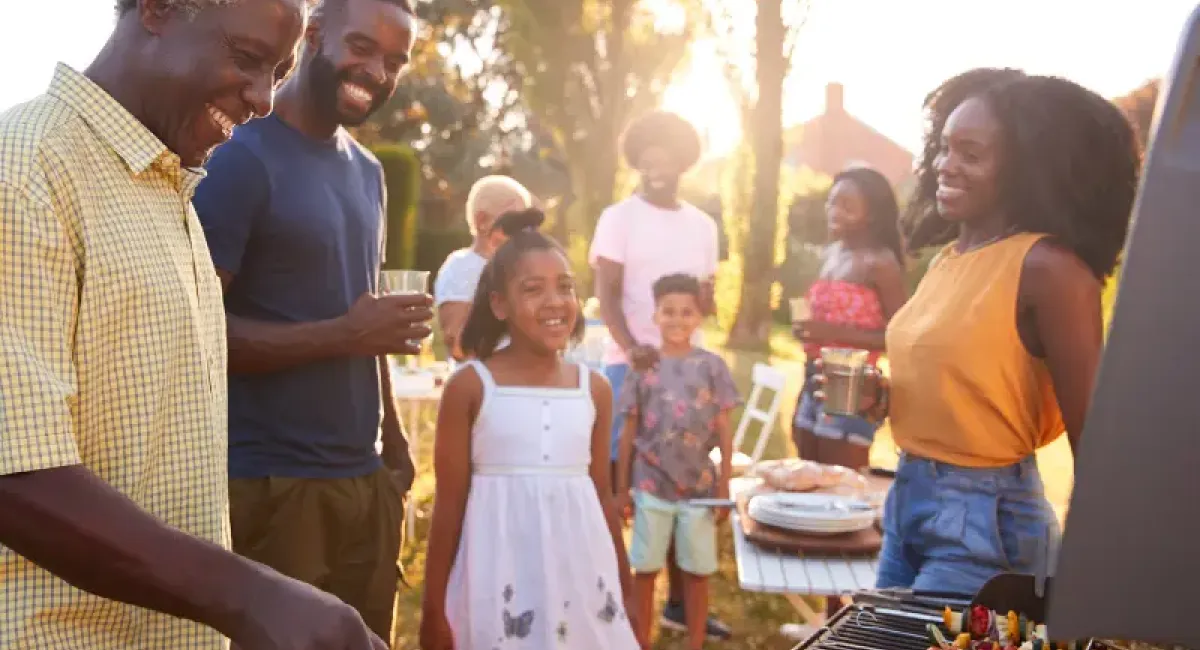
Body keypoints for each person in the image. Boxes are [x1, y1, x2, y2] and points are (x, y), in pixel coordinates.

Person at [0, 1, 394, 649]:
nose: (264, 99)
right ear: (157, 9)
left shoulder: (171, 186)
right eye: (247, 59)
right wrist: (253, 595)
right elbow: (17, 478)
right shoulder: (24, 172)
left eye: (277, 70)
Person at [827, 68, 1140, 595]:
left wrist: (1101, 575)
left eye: (971, 154)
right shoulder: (950, 260)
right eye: (946, 149)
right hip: (908, 502)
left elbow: (1095, 437)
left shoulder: (1049, 269)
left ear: (1025, 170)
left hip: (987, 526)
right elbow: (970, 383)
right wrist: (888, 398)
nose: (946, 166)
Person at [190, 0, 426, 642]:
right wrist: (346, 334)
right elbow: (196, 336)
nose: (378, 71)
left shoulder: (371, 173)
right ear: (314, 36)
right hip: (272, 485)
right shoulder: (238, 156)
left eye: (396, 61)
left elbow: (366, 323)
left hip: (365, 485)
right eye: (363, 47)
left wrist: (395, 462)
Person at [421, 209, 643, 650]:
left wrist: (627, 588)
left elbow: (601, 494)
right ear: (499, 304)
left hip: (580, 580)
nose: (555, 302)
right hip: (496, 579)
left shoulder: (593, 389)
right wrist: (432, 611)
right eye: (533, 290)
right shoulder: (470, 387)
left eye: (565, 287)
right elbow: (448, 506)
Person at [589, 110, 729, 640]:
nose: (655, 165)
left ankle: (677, 602)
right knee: (627, 482)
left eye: (665, 155)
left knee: (684, 477)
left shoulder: (702, 226)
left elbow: (702, 297)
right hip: (631, 368)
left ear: (682, 159)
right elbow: (606, 290)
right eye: (645, 156)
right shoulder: (619, 218)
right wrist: (632, 347)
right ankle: (617, 596)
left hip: (685, 374)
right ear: (636, 159)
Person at [615, 273, 740, 650]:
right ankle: (640, 642)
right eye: (668, 312)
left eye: (686, 312)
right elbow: (628, 431)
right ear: (655, 315)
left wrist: (723, 486)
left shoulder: (712, 366)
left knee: (697, 572)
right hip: (651, 484)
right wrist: (622, 489)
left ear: (698, 317)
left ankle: (696, 642)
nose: (677, 320)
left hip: (698, 487)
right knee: (646, 569)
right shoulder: (643, 366)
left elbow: (723, 432)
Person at [792, 166, 906, 471]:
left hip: (853, 387)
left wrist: (828, 331)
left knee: (837, 485)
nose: (833, 211)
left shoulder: (880, 263)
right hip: (812, 377)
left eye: (846, 206)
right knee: (805, 477)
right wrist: (805, 329)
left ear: (870, 215)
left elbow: (900, 336)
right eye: (831, 202)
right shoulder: (832, 254)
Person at [434, 175, 534, 361]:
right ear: (482, 221)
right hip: (484, 383)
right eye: (513, 223)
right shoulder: (462, 265)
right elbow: (457, 341)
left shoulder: (520, 266)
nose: (521, 233)